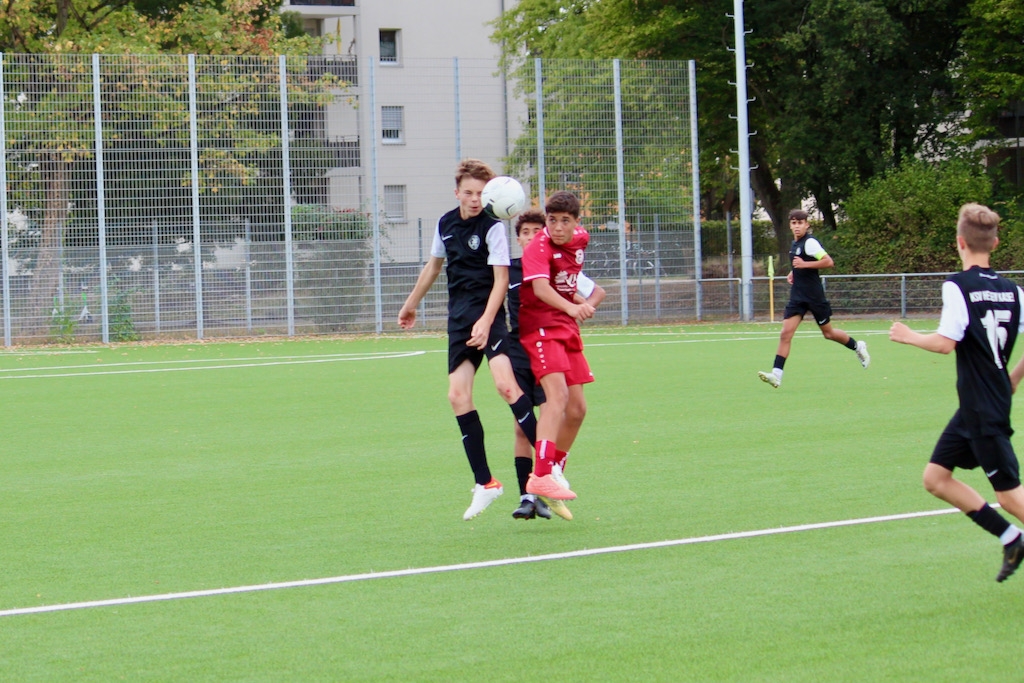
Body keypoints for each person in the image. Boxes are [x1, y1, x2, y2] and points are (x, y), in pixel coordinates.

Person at [397, 159, 539, 521]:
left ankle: (548, 465)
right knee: (457, 396)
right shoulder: (445, 224)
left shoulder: (493, 227)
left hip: (488, 317)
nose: (475, 200)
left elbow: (501, 280)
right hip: (459, 321)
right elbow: (433, 266)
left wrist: (487, 321)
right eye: (469, 193)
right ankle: (486, 483)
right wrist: (410, 304)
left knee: (506, 386)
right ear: (457, 192)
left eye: (480, 194)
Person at [889, 203, 1024, 582]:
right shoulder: (1014, 291)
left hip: (983, 410)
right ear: (994, 243)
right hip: (978, 405)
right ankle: (1012, 539)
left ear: (960, 242)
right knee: (935, 479)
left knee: (1010, 496)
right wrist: (1012, 379)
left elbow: (946, 343)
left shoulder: (957, 286)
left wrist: (909, 336)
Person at [507, 209, 605, 521]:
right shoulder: (506, 270)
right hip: (519, 352)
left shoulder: (562, 251)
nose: (533, 236)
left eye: (537, 231)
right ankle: (529, 494)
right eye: (526, 232)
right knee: (523, 427)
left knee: (571, 408)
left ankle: (549, 473)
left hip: (554, 341)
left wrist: (582, 307)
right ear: (518, 238)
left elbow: (591, 290)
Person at [758, 209, 870, 388]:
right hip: (797, 297)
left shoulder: (810, 243)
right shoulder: (794, 244)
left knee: (829, 333)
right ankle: (776, 375)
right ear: (790, 225)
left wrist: (804, 265)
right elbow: (800, 264)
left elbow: (828, 261)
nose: (797, 226)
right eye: (794, 223)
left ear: (806, 224)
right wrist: (794, 272)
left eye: (800, 223)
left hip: (814, 296)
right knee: (785, 333)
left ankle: (858, 346)